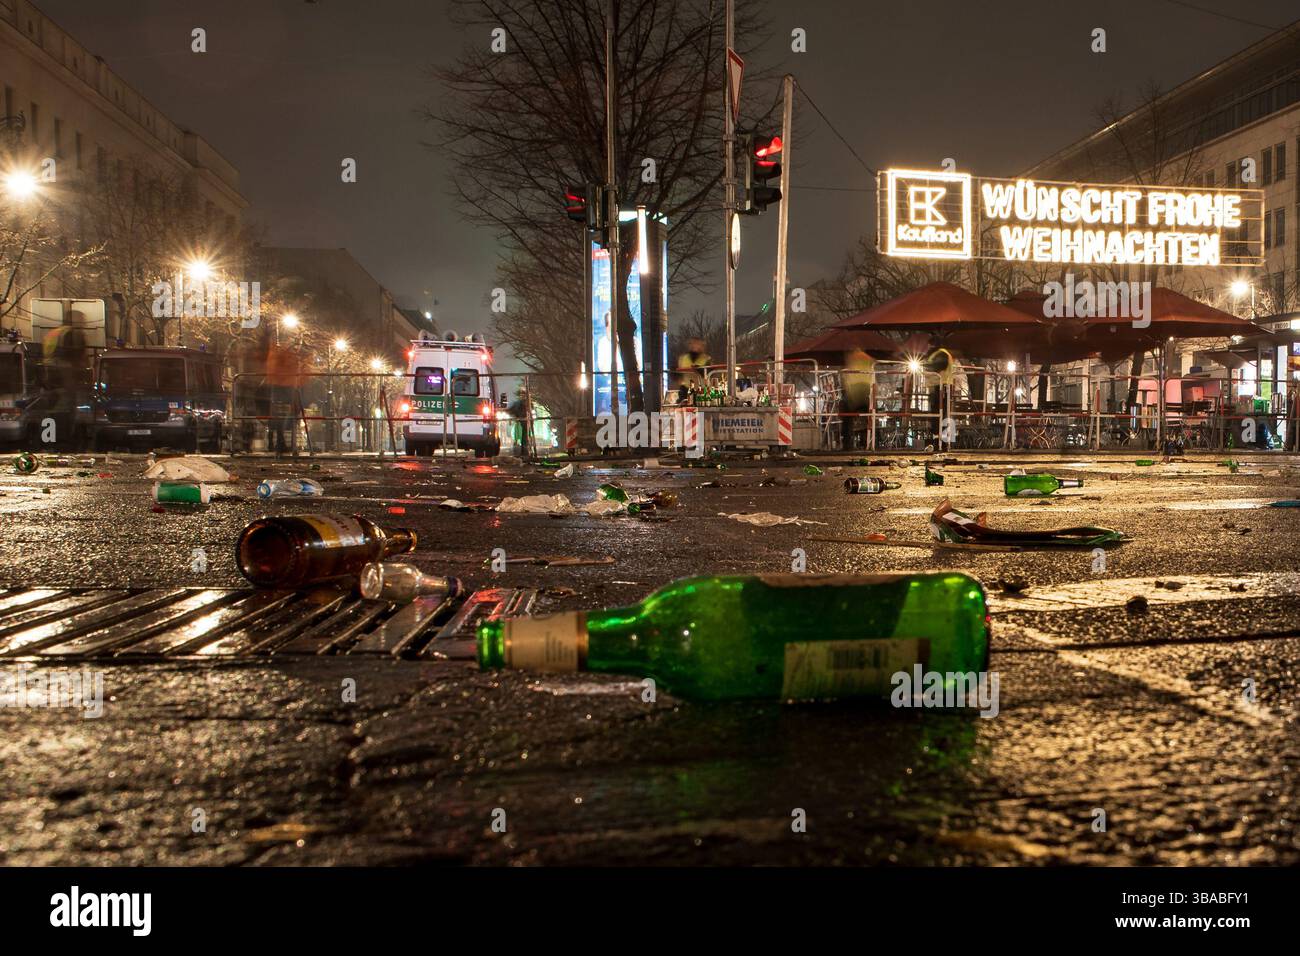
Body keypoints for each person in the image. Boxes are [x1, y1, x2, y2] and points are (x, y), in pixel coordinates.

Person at [265, 336, 302, 456]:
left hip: (279, 387)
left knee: (280, 417)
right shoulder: (286, 356)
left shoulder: (278, 355)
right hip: (285, 387)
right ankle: (282, 443)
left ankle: (280, 443)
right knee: (284, 417)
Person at [839, 348, 874, 450]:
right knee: (870, 415)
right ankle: (870, 440)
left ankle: (847, 444)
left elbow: (847, 377)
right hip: (866, 389)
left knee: (846, 417)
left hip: (855, 391)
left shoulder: (851, 357)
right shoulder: (868, 358)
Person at [675, 337, 711, 402]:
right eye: (693, 343)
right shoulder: (682, 358)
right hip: (685, 391)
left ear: (702, 346)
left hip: (701, 391)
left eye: (698, 344)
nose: (695, 346)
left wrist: (700, 369)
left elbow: (709, 374)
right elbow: (677, 375)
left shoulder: (707, 359)